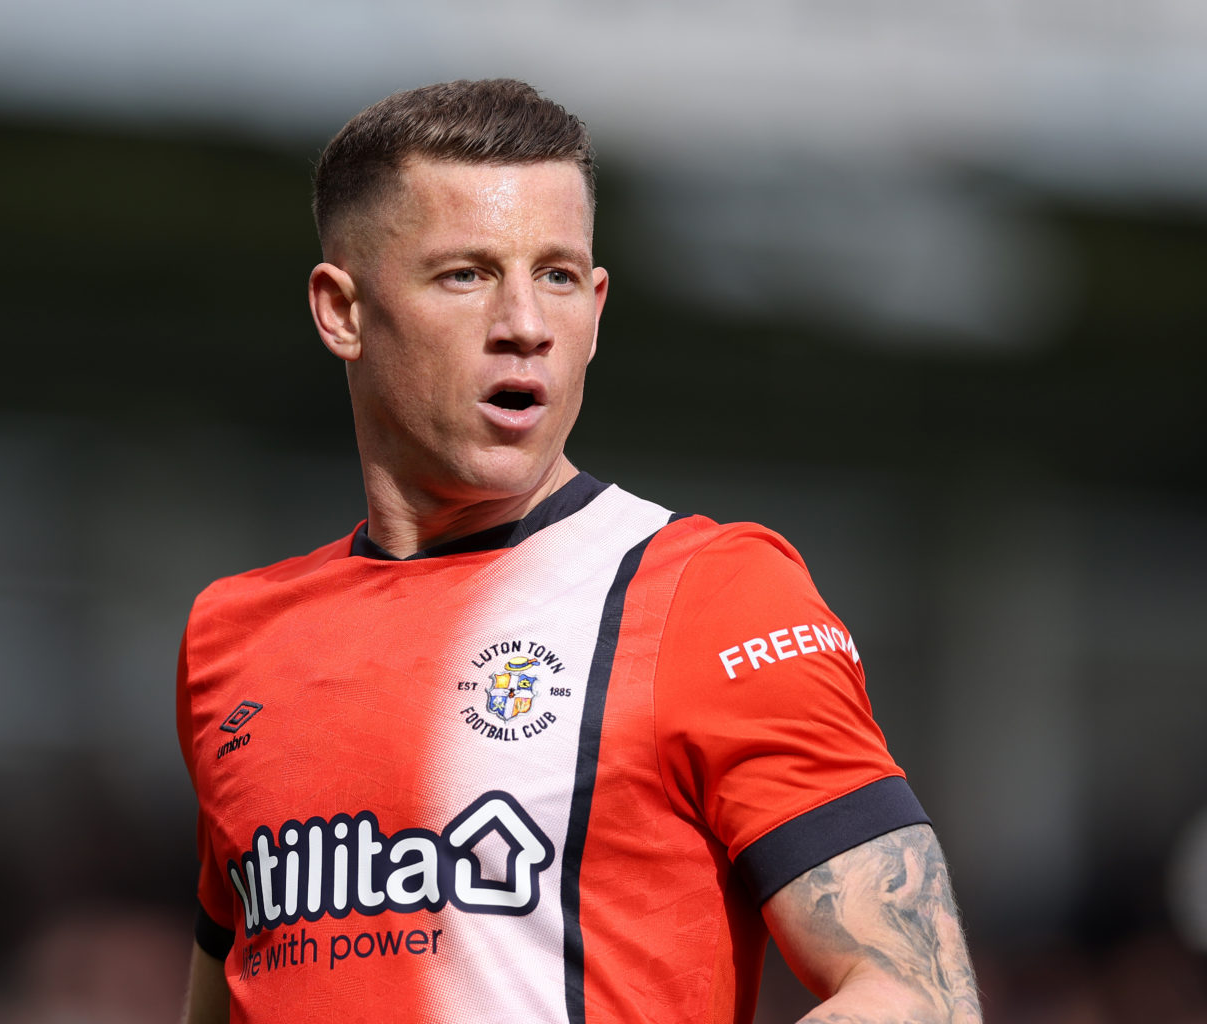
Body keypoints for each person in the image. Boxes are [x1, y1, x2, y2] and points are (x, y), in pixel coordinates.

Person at [176, 78, 982, 1024]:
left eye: (557, 275)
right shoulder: (233, 638)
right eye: (466, 274)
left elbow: (919, 995)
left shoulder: (711, 594)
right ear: (342, 311)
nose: (525, 323)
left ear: (597, 307)